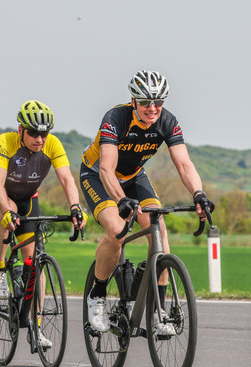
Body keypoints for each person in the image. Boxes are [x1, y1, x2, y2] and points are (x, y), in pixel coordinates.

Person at [80, 70, 212, 335]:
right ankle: (97, 294)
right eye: (145, 102)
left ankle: (158, 314)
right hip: (98, 176)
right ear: (133, 101)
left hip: (133, 177)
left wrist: (199, 194)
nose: (152, 108)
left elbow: (184, 164)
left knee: (159, 232)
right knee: (117, 231)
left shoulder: (167, 121)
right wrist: (121, 200)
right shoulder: (115, 118)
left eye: (158, 102)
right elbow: (106, 169)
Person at [0, 100, 85, 345]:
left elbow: (67, 178)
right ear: (21, 130)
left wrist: (75, 207)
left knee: (35, 261)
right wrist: (6, 210)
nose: (39, 139)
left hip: (29, 198)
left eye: (44, 134)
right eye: (33, 133)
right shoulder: (5, 142)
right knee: (9, 212)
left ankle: (36, 328)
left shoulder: (53, 145)